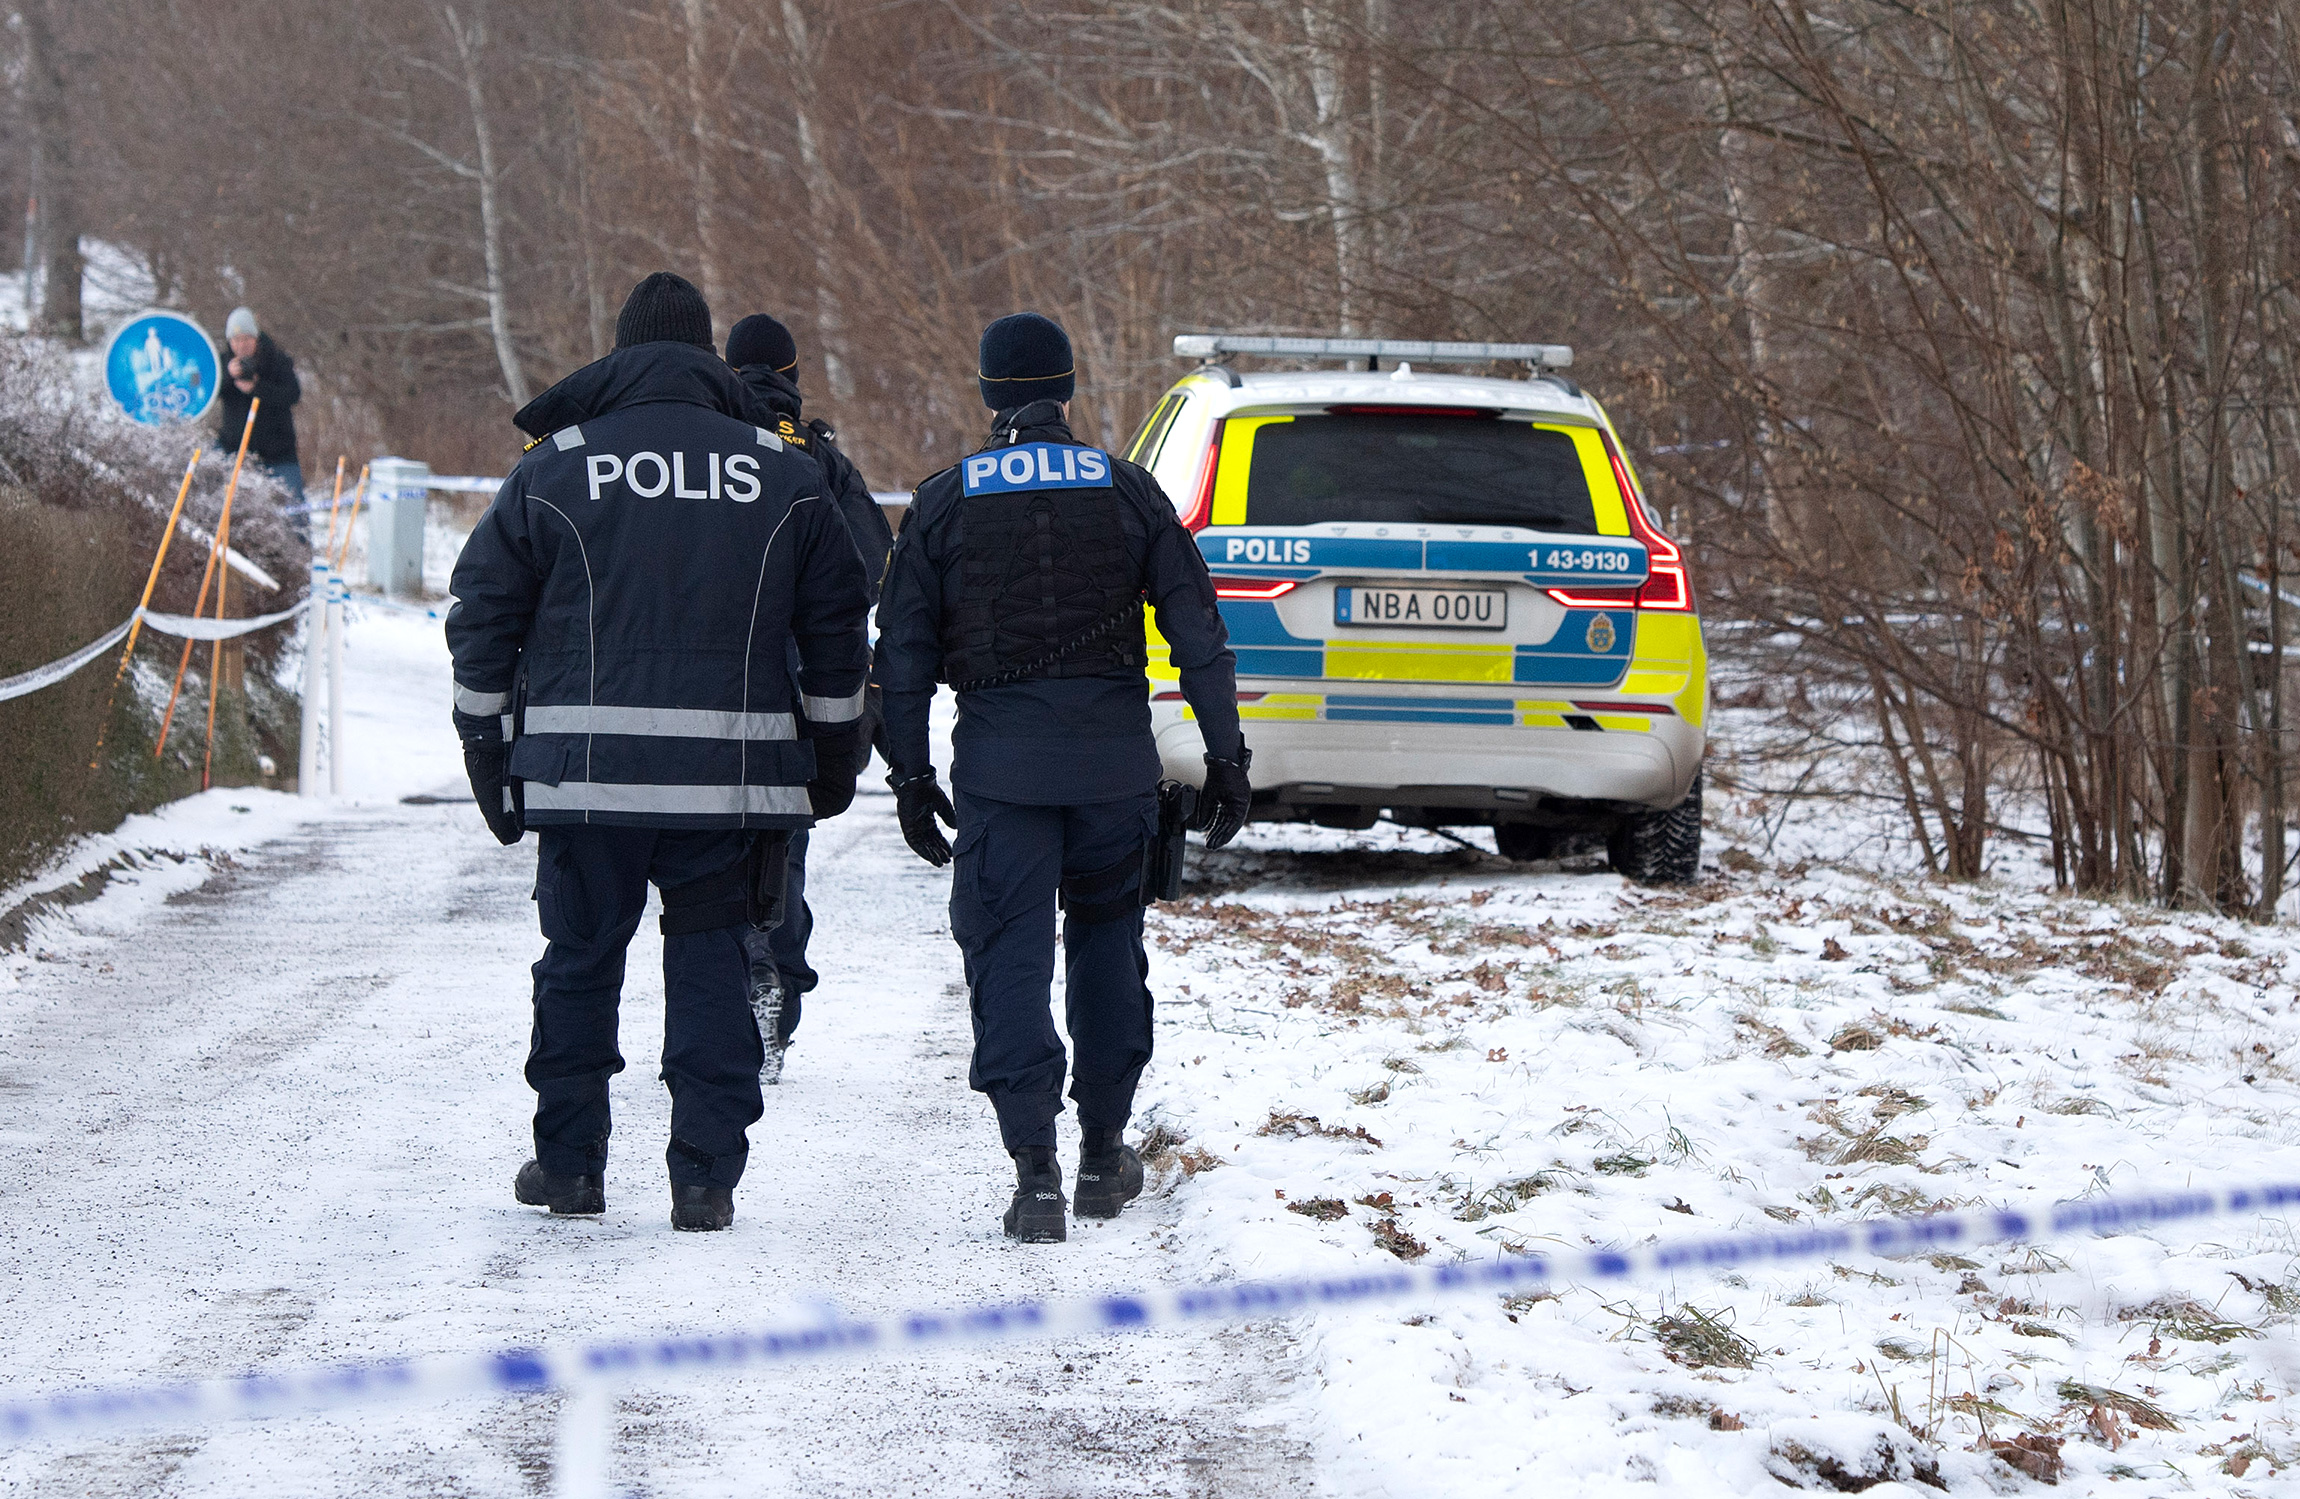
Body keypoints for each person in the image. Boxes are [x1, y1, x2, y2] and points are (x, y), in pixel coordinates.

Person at [445, 272, 871, 1232]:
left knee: (579, 961)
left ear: (621, 351)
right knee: (715, 969)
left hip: (585, 785)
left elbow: (483, 617)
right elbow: (841, 627)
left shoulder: (555, 467)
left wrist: (487, 746)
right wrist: (836, 750)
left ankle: (571, 1169)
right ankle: (705, 1179)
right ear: (707, 356)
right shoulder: (781, 471)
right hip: (730, 785)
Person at [873, 312, 1252, 1243]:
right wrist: (1226, 756)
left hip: (1003, 779)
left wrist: (911, 775)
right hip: (1113, 773)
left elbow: (904, 657)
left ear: (990, 395)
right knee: (1108, 947)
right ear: (1069, 389)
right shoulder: (1129, 492)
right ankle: (1102, 1151)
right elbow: (1199, 634)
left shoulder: (944, 500)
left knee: (1007, 958)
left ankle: (1034, 1169)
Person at [723, 313, 895, 1077]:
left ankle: (727, 991)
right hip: (802, 691)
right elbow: (873, 570)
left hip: (713, 678)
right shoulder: (821, 462)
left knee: (704, 854)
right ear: (792, 376)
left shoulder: (708, 451)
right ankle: (774, 989)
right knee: (781, 848)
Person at [214, 306, 305, 509]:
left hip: (278, 452)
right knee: (227, 505)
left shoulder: (277, 361)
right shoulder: (221, 363)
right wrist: (228, 375)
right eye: (236, 340)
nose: (241, 345)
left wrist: (257, 388)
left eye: (246, 339)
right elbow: (208, 393)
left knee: (294, 509)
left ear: (256, 338)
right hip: (235, 451)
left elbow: (293, 394)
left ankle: (300, 541)